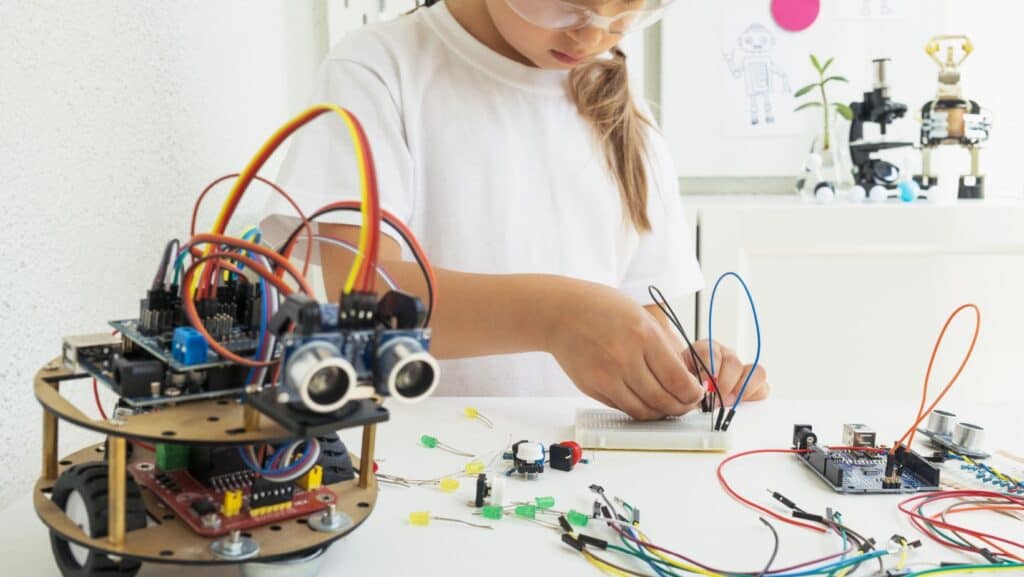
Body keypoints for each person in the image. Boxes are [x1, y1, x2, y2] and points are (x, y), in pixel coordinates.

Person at [263, 0, 769, 420]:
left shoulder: (630, 119)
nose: (592, 37)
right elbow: (366, 303)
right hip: (417, 470)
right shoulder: (379, 69)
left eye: (623, 15)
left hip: (582, 477)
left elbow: (644, 316)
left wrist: (683, 367)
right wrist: (554, 317)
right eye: (571, 7)